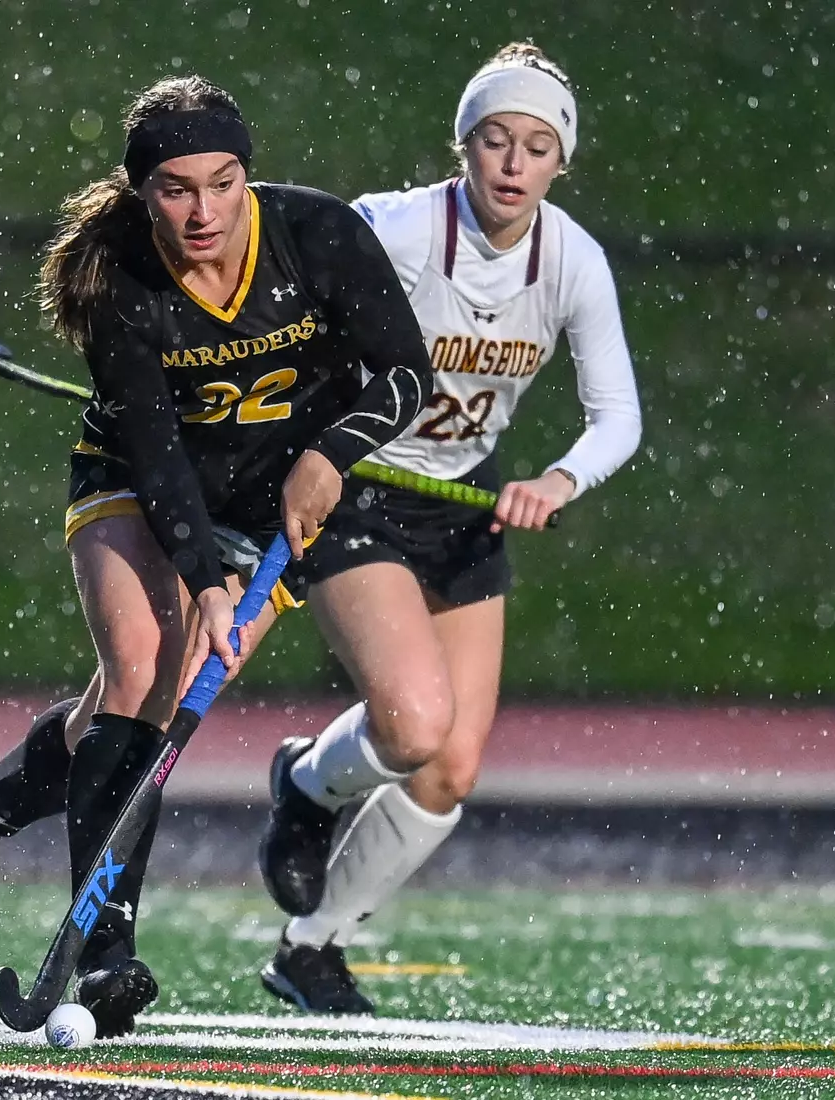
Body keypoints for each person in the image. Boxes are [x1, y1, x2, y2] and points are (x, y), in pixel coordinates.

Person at [0, 74, 434, 1037]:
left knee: (144, 702)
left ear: (249, 176)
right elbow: (154, 453)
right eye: (177, 188)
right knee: (144, 670)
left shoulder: (316, 237)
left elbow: (407, 372)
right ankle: (106, 953)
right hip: (137, 477)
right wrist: (203, 575)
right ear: (140, 190)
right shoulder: (120, 282)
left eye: (223, 182)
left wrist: (328, 454)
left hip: (279, 493)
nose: (204, 211)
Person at [255, 41, 643, 1013]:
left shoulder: (572, 262)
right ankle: (306, 786)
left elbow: (617, 416)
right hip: (362, 487)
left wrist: (558, 477)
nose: (512, 165)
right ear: (462, 145)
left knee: (449, 770)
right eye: (494, 141)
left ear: (561, 161)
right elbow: (279, 292)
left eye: (535, 147)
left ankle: (310, 946)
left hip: (465, 499)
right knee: (411, 725)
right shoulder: (391, 229)